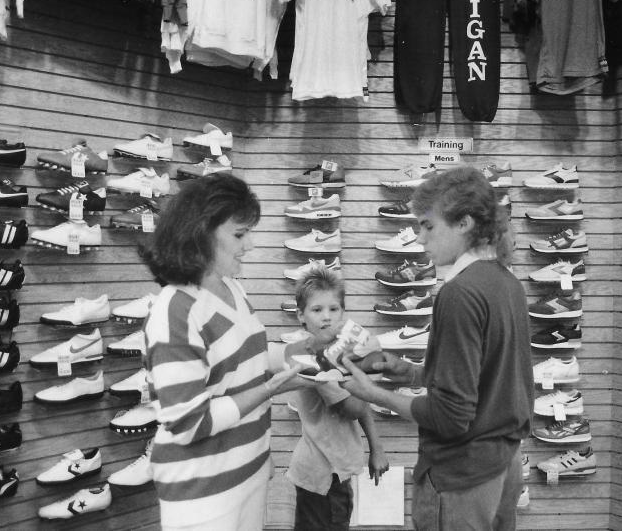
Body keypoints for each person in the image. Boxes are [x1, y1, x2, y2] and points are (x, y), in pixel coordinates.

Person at [343, 165, 534, 531]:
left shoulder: (459, 293)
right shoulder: (507, 283)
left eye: (428, 225)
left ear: (463, 223)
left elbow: (450, 415)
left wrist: (372, 393)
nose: (420, 238)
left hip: (461, 474)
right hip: (504, 464)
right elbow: (483, 380)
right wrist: (406, 370)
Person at [140, 174, 310, 531]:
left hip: (247, 473)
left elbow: (249, 359)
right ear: (200, 232)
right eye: (239, 234)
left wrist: (307, 350)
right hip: (202, 491)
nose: (250, 245)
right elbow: (188, 424)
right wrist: (269, 390)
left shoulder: (232, 287)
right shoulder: (176, 309)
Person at [269, 266, 390, 531]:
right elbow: (355, 406)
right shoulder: (316, 361)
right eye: (317, 310)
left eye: (334, 309)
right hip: (324, 475)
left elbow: (361, 404)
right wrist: (366, 370)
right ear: (301, 316)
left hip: (330, 470)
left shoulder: (335, 352)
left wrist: (376, 447)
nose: (327, 317)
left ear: (343, 312)